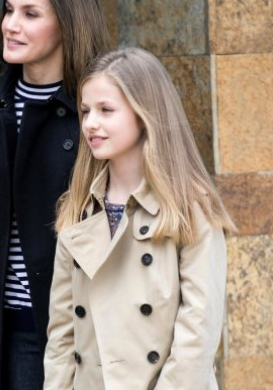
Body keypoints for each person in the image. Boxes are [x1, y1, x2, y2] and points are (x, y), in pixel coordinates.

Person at [44, 47, 236, 389]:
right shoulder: (77, 209)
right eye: (85, 110)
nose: (90, 123)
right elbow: (62, 335)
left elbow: (198, 334)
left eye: (106, 110)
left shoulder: (189, 208)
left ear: (144, 114)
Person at [0, 0, 109, 388]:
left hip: (84, 324)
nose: (11, 25)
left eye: (30, 14)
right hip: (12, 327)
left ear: (68, 23)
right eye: (8, 10)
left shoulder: (97, 105)